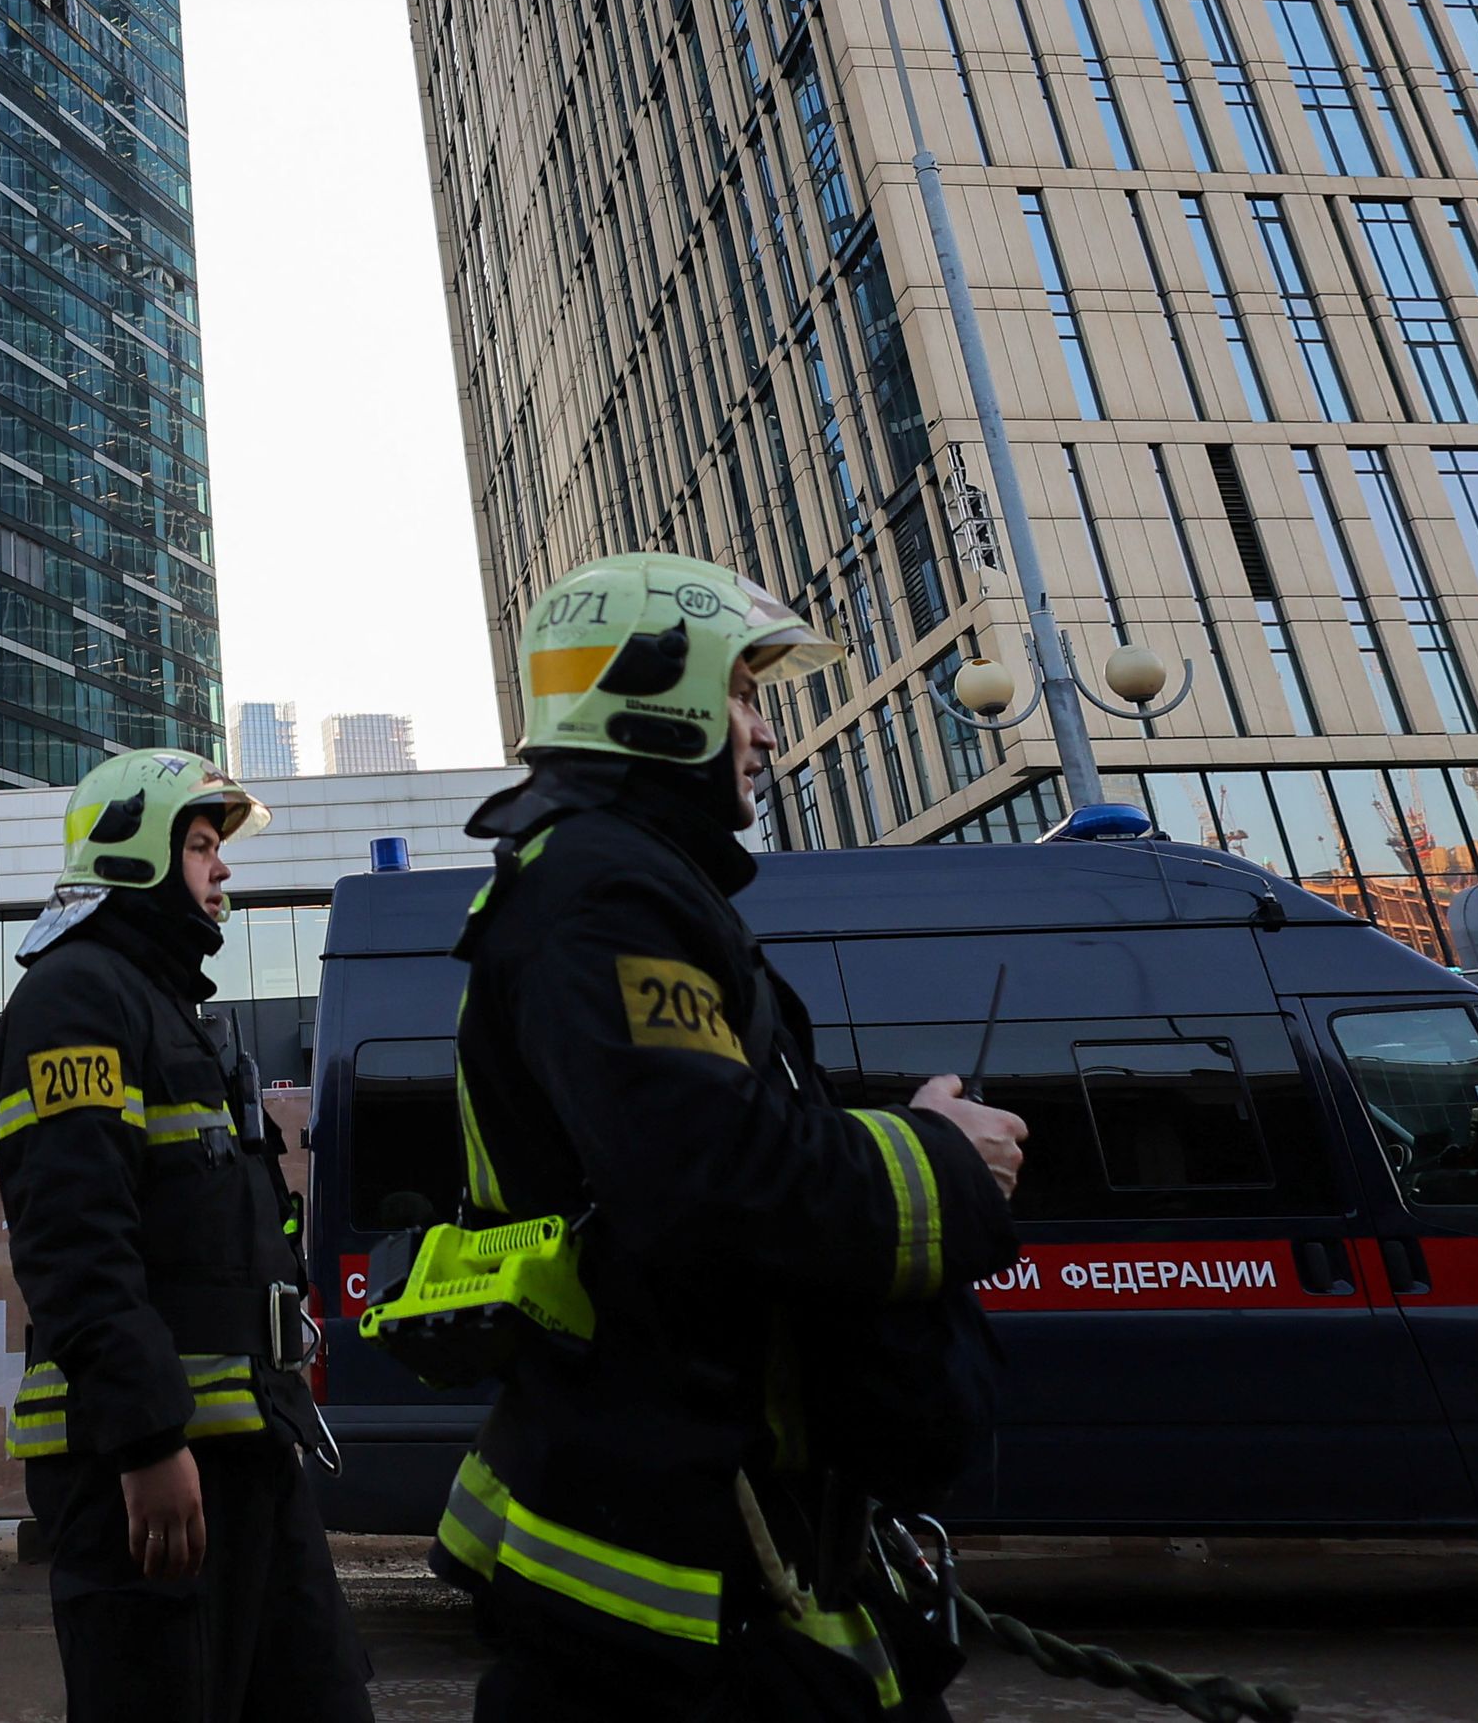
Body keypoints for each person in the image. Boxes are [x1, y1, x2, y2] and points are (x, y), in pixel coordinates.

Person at [418, 553, 1026, 1723]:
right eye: (744, 693)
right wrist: (940, 1155)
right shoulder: (601, 889)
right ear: (661, 694)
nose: (765, 732)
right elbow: (711, 1173)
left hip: (713, 1541)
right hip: (675, 1584)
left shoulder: (623, 879)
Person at [0, 749, 374, 1723]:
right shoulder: (76, 999)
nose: (223, 868)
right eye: (201, 843)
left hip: (246, 1451)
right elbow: (77, 1243)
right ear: (134, 853)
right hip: (153, 1470)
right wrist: (147, 1440)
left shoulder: (164, 1008)